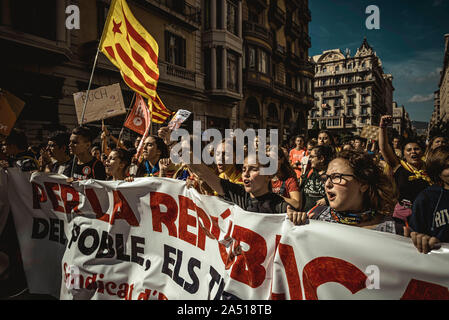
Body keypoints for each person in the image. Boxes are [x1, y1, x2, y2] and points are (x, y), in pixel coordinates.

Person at [305, 150, 404, 235]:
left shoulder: (396, 231)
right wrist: (295, 222)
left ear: (363, 184)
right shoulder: (315, 215)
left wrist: (418, 243)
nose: (327, 184)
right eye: (326, 178)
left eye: (336, 177)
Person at [187, 152, 292, 214]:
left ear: (268, 175)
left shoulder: (281, 207)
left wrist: (298, 218)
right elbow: (204, 173)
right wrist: (179, 149)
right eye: (244, 169)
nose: (246, 174)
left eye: (253, 169)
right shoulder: (238, 194)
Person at [379, 115, 431, 223]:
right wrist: (382, 127)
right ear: (404, 154)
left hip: (426, 214)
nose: (413, 152)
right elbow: (384, 149)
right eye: (409, 150)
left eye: (416, 149)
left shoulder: (430, 168)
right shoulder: (399, 167)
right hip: (402, 216)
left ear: (422, 152)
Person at [407, 145, 449, 253]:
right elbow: (414, 236)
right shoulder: (426, 198)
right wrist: (422, 239)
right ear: (438, 171)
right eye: (447, 167)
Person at [300, 145, 334, 212]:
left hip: (324, 217)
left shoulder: (332, 175)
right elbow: (301, 192)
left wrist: (327, 200)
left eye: (312, 157)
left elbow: (339, 194)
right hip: (307, 216)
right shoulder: (309, 172)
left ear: (321, 158)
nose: (309, 159)